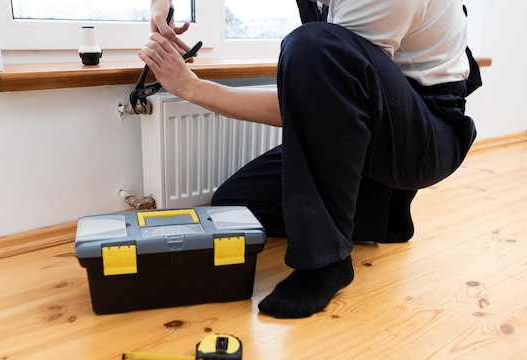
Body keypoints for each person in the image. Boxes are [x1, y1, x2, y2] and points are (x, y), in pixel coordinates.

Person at [140, 0, 481, 319]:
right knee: (238, 202)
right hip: (375, 122)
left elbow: (323, 95)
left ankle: (326, 262)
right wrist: (161, 6)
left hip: (425, 137)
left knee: (314, 45)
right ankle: (378, 215)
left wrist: (194, 88)